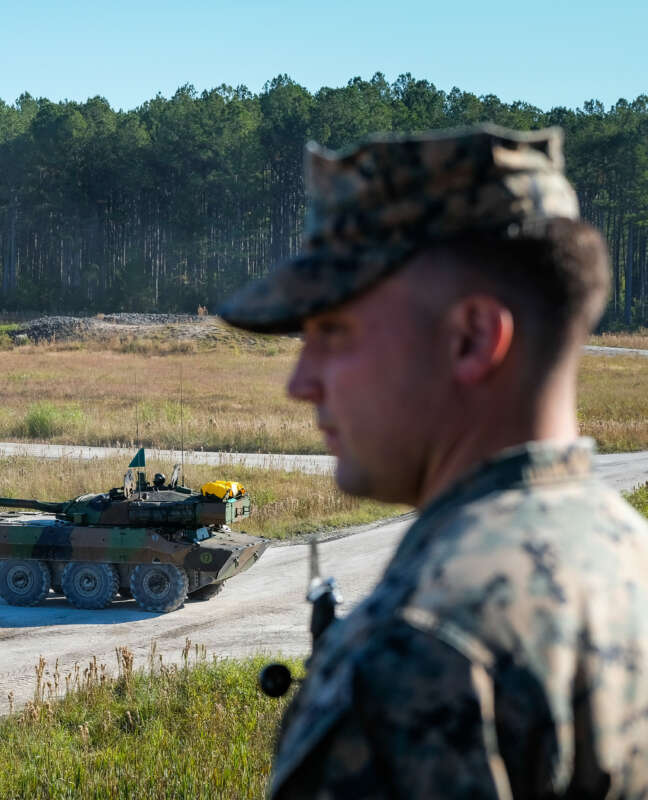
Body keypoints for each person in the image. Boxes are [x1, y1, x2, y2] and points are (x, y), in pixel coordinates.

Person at [218, 124, 648, 799]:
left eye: (334, 332)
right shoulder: (628, 555)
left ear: (472, 339)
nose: (301, 382)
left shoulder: (416, 656)